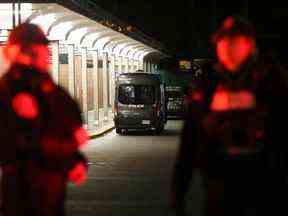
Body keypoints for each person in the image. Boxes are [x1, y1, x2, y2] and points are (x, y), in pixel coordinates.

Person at [171, 16, 288, 216]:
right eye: (224, 42)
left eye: (235, 41)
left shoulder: (271, 81)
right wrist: (178, 194)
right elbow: (189, 143)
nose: (229, 48)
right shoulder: (208, 85)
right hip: (218, 188)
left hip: (264, 189)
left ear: (249, 44)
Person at [0, 22, 89, 216]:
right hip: (23, 192)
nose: (45, 58)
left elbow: (68, 119)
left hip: (48, 192)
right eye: (39, 52)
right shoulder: (10, 90)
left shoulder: (45, 87)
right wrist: (70, 154)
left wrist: (74, 158)